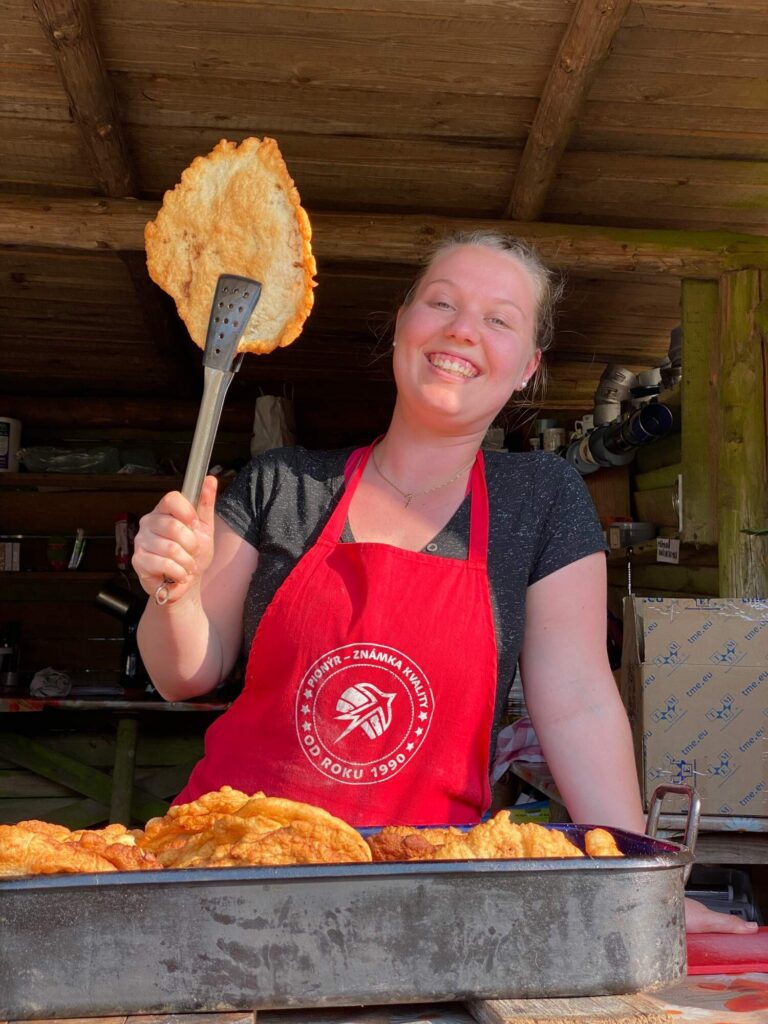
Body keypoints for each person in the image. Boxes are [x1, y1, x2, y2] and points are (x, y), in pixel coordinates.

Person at [133, 230, 755, 935]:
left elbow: (579, 702)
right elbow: (183, 673)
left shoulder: (540, 498)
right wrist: (173, 590)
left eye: (499, 319)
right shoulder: (282, 484)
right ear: (403, 324)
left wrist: (641, 885)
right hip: (225, 870)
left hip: (426, 897)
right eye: (441, 303)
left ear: (527, 365)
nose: (463, 329)